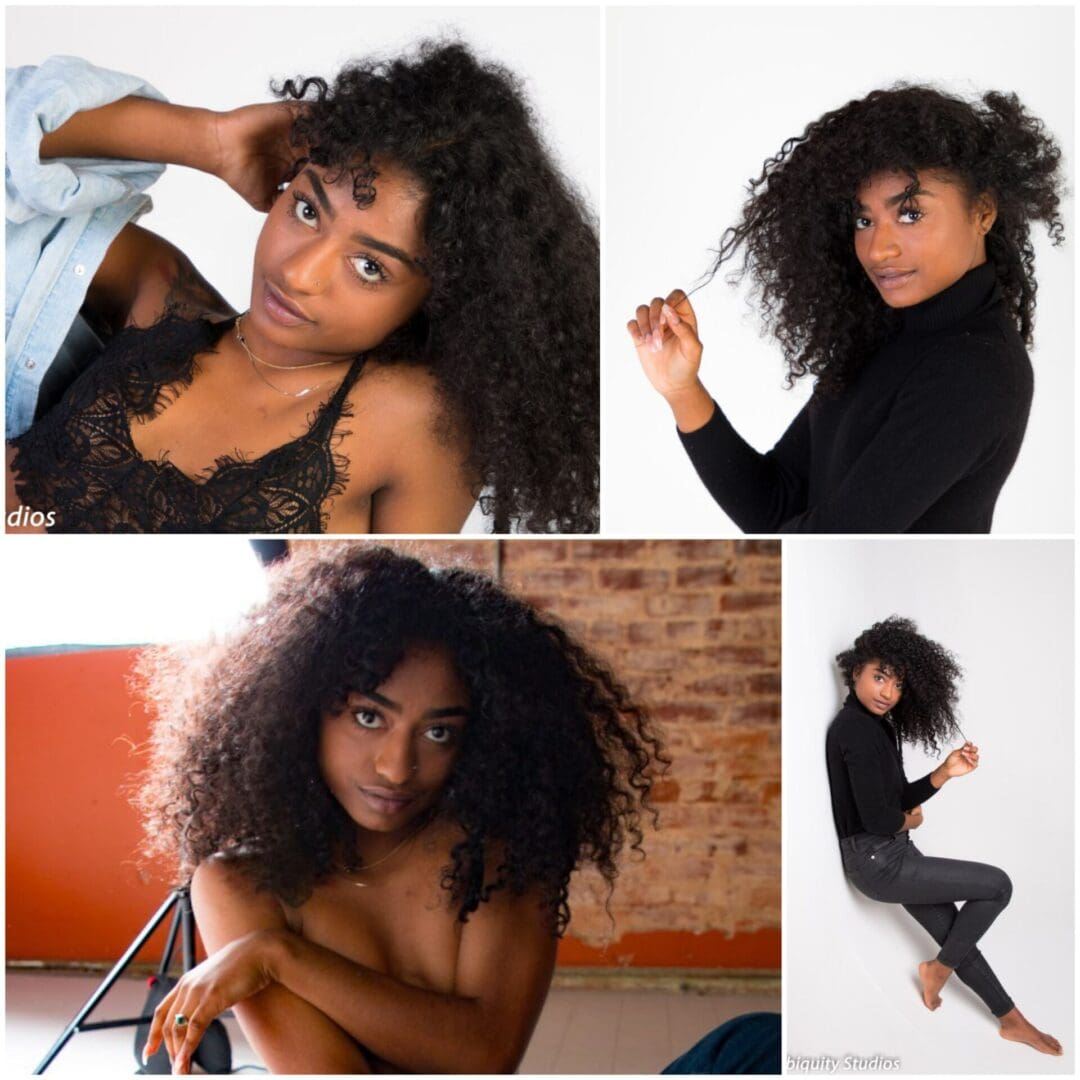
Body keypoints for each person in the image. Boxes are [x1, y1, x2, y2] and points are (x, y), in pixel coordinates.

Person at [6, 41, 599, 533]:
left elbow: (398, 603)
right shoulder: (160, 294)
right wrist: (207, 140)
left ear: (443, 298)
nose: (297, 274)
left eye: (370, 267)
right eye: (309, 210)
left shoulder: (413, 422)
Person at [132, 544, 665, 1073]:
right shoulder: (242, 883)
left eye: (438, 732)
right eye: (369, 717)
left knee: (749, 1042)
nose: (396, 767)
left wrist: (278, 957)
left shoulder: (498, 857)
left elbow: (488, 1053)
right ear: (299, 710)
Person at [629, 85, 1064, 533]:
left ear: (983, 211)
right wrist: (682, 390)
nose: (879, 250)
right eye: (864, 220)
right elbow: (775, 504)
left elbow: (829, 537)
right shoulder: (884, 333)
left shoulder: (976, 371)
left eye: (911, 213)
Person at [825, 616, 1061, 1055]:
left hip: (892, 855)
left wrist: (944, 773)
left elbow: (898, 796)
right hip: (879, 863)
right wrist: (909, 822)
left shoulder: (879, 726)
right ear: (855, 670)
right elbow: (880, 818)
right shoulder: (852, 730)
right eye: (879, 678)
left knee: (956, 932)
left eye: (896, 685)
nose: (887, 693)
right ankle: (940, 971)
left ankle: (1010, 1019)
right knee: (998, 885)